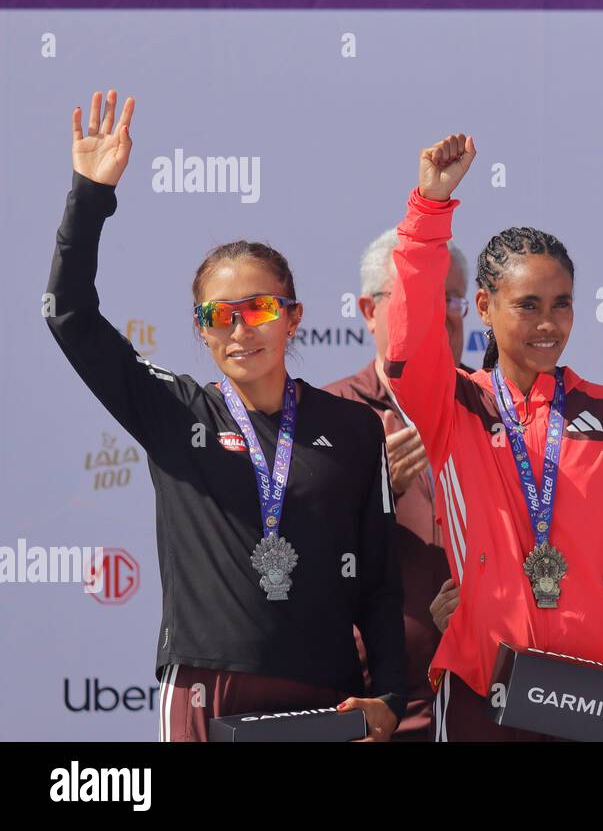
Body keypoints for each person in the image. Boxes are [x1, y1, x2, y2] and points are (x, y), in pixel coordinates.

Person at [46, 91, 406, 742]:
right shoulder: (173, 411)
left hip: (326, 693)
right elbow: (68, 316)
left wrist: (386, 696)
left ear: (294, 316)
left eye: (260, 308)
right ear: (202, 330)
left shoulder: (354, 429)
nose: (241, 329)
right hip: (209, 688)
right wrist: (90, 194)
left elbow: (379, 585)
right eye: (220, 315)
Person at [383, 132, 603, 741]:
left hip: (591, 691)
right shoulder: (453, 404)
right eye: (528, 305)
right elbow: (409, 348)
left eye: (562, 304)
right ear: (485, 307)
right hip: (480, 689)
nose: (549, 323)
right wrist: (429, 210)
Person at [325, 229, 470, 740]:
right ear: (369, 310)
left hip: (491, 697)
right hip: (379, 707)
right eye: (419, 299)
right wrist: (369, 494)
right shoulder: (328, 416)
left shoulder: (497, 409)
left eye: (451, 299)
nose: (441, 314)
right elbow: (280, 556)